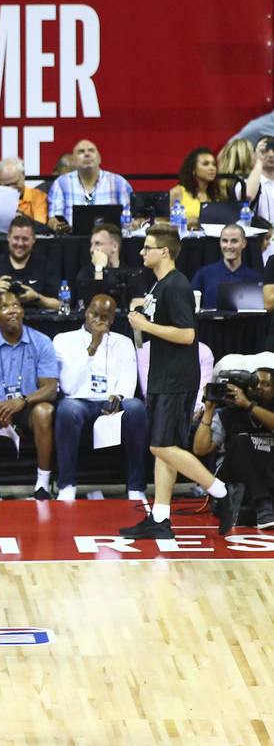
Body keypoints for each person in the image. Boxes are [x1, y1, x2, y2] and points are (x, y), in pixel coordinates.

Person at [121, 224, 242, 538]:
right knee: (166, 448)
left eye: (147, 247)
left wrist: (146, 326)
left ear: (164, 251)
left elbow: (188, 335)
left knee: (160, 446)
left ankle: (220, 492)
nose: (141, 252)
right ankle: (160, 519)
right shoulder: (159, 286)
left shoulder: (176, 286)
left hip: (177, 378)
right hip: (164, 376)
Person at [52, 295, 148, 501]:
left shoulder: (123, 342)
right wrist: (93, 346)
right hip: (79, 402)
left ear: (112, 319)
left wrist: (119, 396)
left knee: (137, 408)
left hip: (113, 401)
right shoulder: (63, 340)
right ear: (86, 312)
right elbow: (68, 386)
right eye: (94, 314)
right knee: (67, 410)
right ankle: (67, 485)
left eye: (105, 317)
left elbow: (129, 378)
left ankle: (136, 487)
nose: (98, 320)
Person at [0, 291, 58, 499]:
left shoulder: (41, 342)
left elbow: (51, 388)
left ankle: (42, 486)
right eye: (5, 307)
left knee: (45, 411)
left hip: (29, 408)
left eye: (16, 305)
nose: (12, 311)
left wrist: (23, 401)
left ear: (23, 311)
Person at [194, 368, 274, 530]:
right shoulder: (227, 415)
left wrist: (249, 405)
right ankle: (262, 505)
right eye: (254, 383)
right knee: (241, 441)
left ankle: (259, 508)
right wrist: (209, 410)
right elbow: (199, 449)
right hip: (236, 482)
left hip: (268, 479)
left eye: (265, 384)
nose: (258, 387)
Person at [0, 214, 60, 310]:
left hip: (37, 323)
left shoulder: (46, 266)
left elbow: (60, 305)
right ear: (8, 238)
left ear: (33, 239)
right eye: (16, 238)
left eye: (25, 239)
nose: (20, 244)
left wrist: (36, 297)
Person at [47, 140, 133, 232]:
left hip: (112, 240)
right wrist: (57, 226)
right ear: (74, 160)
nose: (87, 154)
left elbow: (130, 216)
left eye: (91, 150)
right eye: (81, 151)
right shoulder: (61, 183)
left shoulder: (118, 182)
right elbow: (53, 218)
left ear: (99, 158)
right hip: (72, 242)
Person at [74, 223, 151, 308]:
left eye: (98, 244)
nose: (92, 249)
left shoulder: (133, 274)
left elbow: (140, 303)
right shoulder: (86, 273)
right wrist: (99, 269)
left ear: (114, 246)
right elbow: (93, 304)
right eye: (91, 244)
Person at [190, 224, 261, 308]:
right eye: (224, 241)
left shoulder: (256, 279)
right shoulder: (204, 274)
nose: (229, 246)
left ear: (244, 243)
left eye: (234, 241)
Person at [168, 147, 219, 229]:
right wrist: (187, 222)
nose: (212, 168)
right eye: (205, 164)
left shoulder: (217, 194)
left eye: (214, 164)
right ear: (193, 169)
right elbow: (159, 221)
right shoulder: (177, 192)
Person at [245, 136, 274, 222]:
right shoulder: (246, 180)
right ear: (254, 154)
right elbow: (248, 195)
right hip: (258, 232)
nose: (271, 155)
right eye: (264, 151)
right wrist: (259, 160)